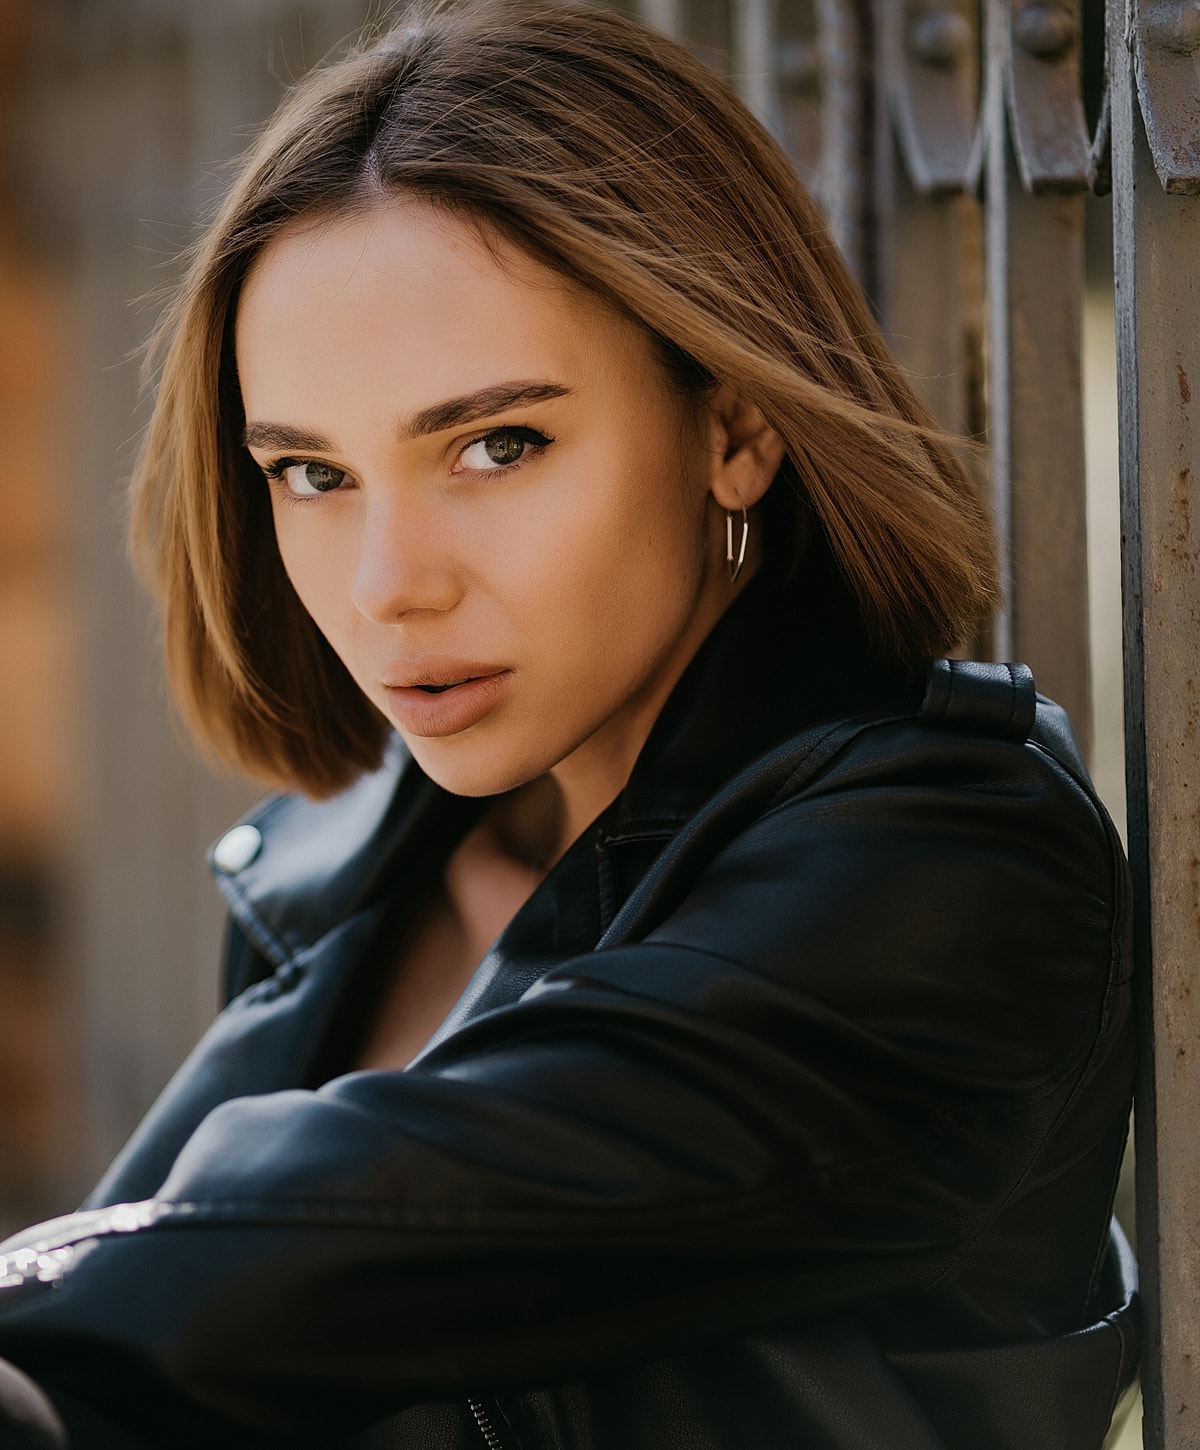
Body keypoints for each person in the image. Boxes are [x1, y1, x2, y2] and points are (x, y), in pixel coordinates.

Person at [0, 3, 1136, 1447]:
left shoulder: (949, 868)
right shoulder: (347, 872)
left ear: (733, 428)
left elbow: (332, 1255)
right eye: (310, 472)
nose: (388, 584)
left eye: (496, 446)